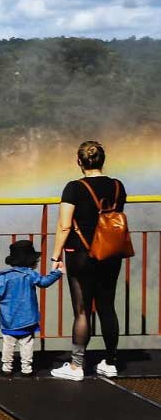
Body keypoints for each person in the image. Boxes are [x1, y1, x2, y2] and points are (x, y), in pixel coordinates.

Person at [50, 141, 128, 381]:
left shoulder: (74, 188)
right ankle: (111, 362)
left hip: (80, 254)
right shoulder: (117, 186)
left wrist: (55, 256)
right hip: (110, 253)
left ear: (79, 162)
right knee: (107, 306)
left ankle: (76, 366)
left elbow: (65, 225)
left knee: (82, 311)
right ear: (102, 160)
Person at [0, 240, 62, 375]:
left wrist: (2, 302)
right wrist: (56, 273)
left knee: (8, 344)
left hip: (8, 319)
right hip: (28, 319)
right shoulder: (30, 275)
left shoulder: (2, 276)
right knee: (27, 343)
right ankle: (26, 368)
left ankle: (7, 367)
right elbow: (44, 282)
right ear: (30, 261)